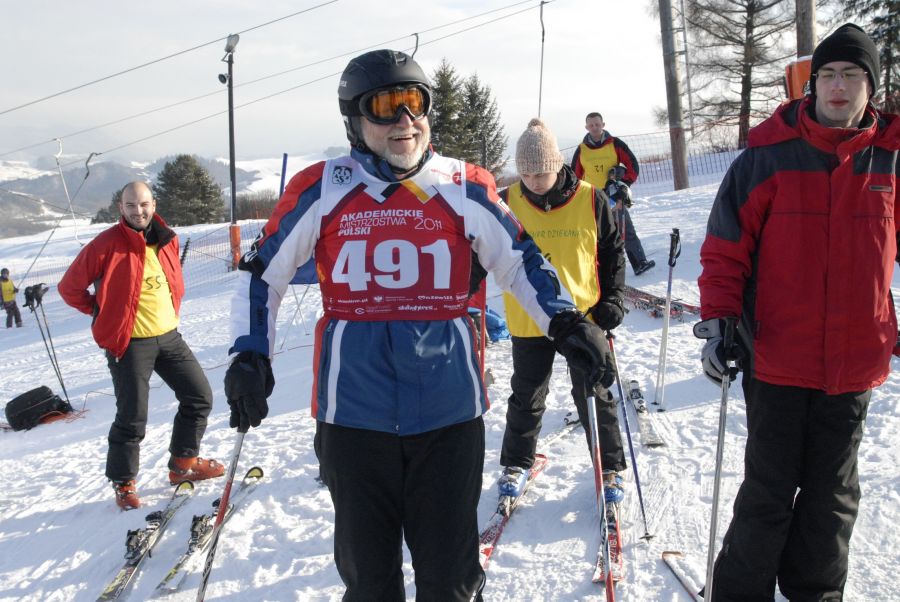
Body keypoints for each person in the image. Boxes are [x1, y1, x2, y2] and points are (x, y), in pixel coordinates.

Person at [224, 49, 614, 601]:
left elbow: (519, 259)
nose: (405, 120)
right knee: (369, 579)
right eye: (386, 106)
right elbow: (262, 273)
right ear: (356, 121)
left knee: (449, 577)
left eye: (417, 103)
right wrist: (250, 352)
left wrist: (566, 322)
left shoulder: (465, 184)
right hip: (353, 414)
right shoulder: (324, 187)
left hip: (447, 411)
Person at [694, 24, 899, 601]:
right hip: (778, 357)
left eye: (851, 75)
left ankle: (816, 593)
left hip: (855, 360)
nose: (838, 86)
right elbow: (725, 247)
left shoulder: (890, 160)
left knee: (833, 496)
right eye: (828, 75)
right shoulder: (768, 156)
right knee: (769, 489)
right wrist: (720, 322)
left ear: (871, 88)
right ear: (812, 86)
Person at [58, 181, 223, 510]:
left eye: (144, 204)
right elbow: (69, 287)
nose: (138, 211)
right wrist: (101, 310)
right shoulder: (106, 244)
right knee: (133, 416)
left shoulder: (167, 240)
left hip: (169, 336)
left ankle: (182, 465)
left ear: (154, 204)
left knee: (199, 397)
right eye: (131, 205)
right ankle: (124, 482)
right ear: (121, 208)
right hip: (130, 344)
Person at [497, 118, 628, 508]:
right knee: (527, 394)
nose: (535, 181)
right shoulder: (508, 201)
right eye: (527, 173)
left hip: (584, 318)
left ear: (558, 164)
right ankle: (516, 463)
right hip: (529, 318)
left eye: (542, 171)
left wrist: (613, 300)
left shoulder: (591, 199)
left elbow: (611, 253)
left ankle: (609, 467)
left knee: (594, 392)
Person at [572, 112, 655, 275]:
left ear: (603, 125)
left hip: (613, 194)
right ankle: (599, 270)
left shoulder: (615, 144)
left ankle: (639, 263)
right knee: (597, 234)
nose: (594, 128)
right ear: (586, 127)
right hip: (593, 196)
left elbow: (633, 165)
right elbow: (575, 176)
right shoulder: (581, 150)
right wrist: (577, 195)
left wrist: (624, 185)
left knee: (625, 229)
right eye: (591, 125)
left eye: (597, 124)